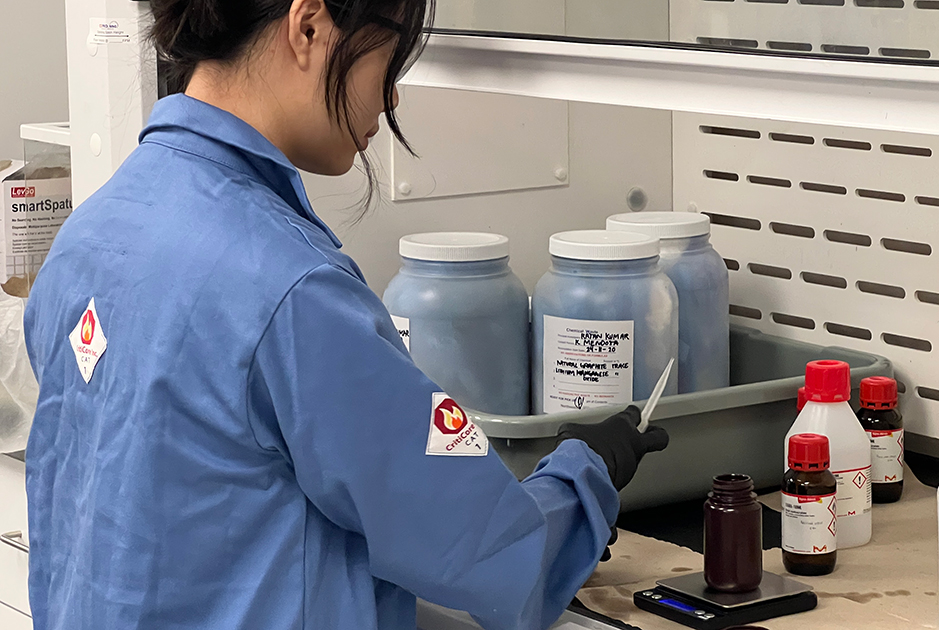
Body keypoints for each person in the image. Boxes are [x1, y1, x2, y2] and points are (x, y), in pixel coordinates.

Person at [21, 1, 670, 629]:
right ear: (308, 26)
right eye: (387, 62)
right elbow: (488, 550)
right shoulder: (290, 289)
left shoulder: (89, 235)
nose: (390, 100)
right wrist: (585, 473)